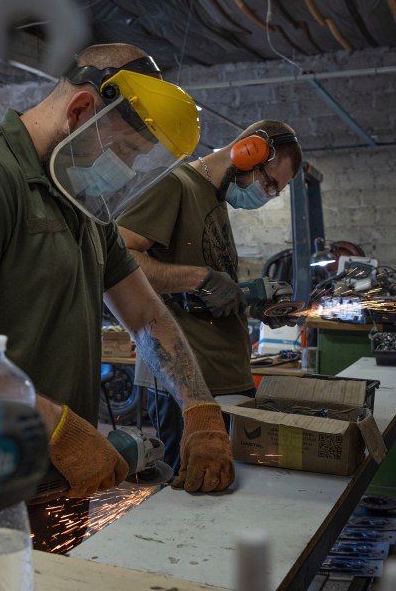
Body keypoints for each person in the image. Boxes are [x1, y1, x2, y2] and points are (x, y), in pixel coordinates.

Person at [0, 43, 235, 552]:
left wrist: (199, 410)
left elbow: (146, 317)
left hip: (60, 476)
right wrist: (58, 428)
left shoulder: (84, 203)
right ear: (80, 111)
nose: (129, 170)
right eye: (127, 153)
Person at [116, 121, 302, 472]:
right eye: (270, 183)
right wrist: (198, 278)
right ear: (250, 152)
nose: (267, 194)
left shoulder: (213, 199)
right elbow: (119, 258)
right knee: (190, 496)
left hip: (226, 380)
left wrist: (252, 304)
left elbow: (205, 292)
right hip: (186, 386)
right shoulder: (175, 184)